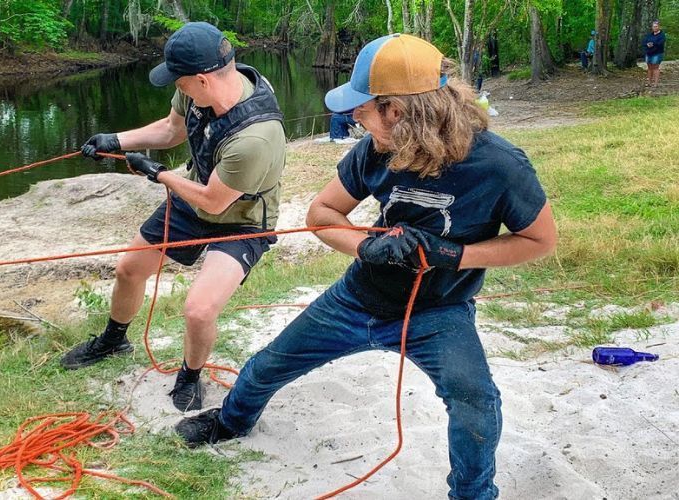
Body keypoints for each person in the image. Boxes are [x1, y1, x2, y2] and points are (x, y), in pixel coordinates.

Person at [174, 33, 557, 499]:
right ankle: (231, 422)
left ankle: (474, 493)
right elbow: (321, 214)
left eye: (363, 107)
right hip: (357, 299)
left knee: (475, 401)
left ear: (397, 110)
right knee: (268, 364)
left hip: (438, 312)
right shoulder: (376, 150)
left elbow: (539, 241)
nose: (353, 115)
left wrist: (456, 256)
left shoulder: (500, 165)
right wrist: (363, 248)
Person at [60, 22, 287, 413]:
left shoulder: (255, 138)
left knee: (199, 309)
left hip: (242, 218)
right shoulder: (200, 92)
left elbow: (215, 203)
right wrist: (116, 140)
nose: (175, 88)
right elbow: (171, 130)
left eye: (179, 81)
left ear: (202, 79)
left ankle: (190, 375)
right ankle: (115, 339)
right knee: (129, 269)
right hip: (196, 193)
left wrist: (157, 173)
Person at [643, 20, 666, 87]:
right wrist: (647, 44)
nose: (654, 28)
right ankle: (649, 82)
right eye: (653, 26)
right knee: (649, 68)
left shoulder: (662, 35)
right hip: (649, 53)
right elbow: (644, 41)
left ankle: (655, 84)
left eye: (656, 26)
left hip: (657, 53)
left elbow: (660, 43)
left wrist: (653, 44)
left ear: (659, 27)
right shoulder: (649, 35)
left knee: (656, 68)